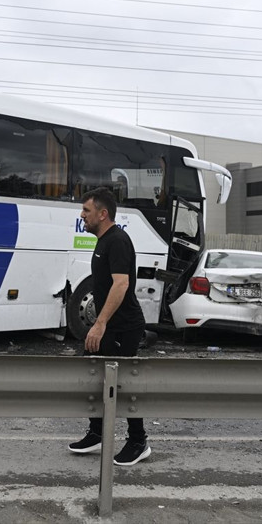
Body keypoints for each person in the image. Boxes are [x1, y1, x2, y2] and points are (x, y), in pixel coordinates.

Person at [68, 187, 150, 466]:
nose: (82, 215)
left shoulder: (117, 241)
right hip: (109, 326)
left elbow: (122, 283)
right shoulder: (103, 240)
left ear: (103, 214)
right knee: (92, 373)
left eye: (86, 211)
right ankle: (97, 432)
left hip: (124, 327)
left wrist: (99, 323)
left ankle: (139, 441)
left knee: (124, 384)